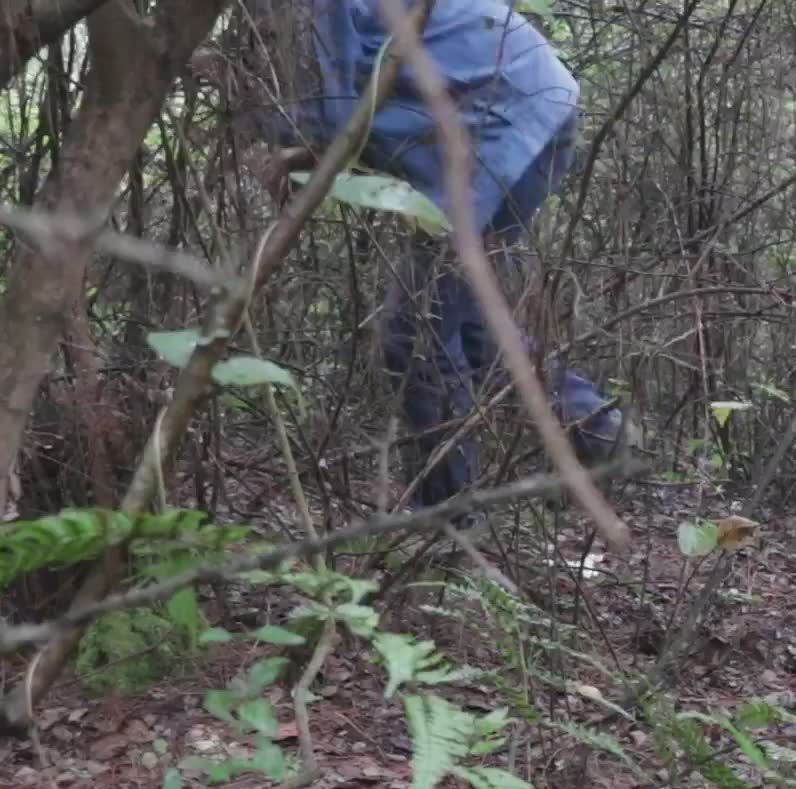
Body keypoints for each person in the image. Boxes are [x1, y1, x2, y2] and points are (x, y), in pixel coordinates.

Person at [253, 0, 631, 518]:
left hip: (501, 122)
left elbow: (331, 114)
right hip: (530, 111)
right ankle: (595, 430)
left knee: (416, 333)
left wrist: (266, 127)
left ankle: (445, 523)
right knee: (472, 324)